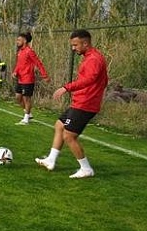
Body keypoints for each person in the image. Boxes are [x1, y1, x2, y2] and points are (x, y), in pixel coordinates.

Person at [35, 29, 108, 179]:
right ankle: (51, 159)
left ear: (85, 43)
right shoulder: (90, 57)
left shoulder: (94, 59)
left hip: (86, 104)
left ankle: (86, 169)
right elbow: (103, 80)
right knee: (59, 125)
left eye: (75, 45)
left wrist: (66, 88)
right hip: (80, 101)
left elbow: (89, 80)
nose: (73, 48)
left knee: (69, 136)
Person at [12, 32, 49, 125]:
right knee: (18, 97)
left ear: (24, 41)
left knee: (26, 98)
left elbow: (38, 63)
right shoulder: (20, 51)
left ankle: (26, 119)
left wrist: (45, 75)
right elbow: (19, 64)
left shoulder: (29, 51)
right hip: (20, 79)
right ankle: (28, 113)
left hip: (28, 79)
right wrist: (15, 71)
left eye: (19, 40)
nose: (17, 42)